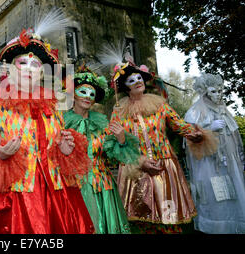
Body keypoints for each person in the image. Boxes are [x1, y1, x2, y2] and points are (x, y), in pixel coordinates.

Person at [0, 10, 94, 234]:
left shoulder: (53, 107)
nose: (29, 69)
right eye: (22, 63)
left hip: (54, 191)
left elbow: (55, 146)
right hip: (13, 194)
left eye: (35, 65)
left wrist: (64, 151)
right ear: (10, 68)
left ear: (42, 73)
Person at [104, 55, 218, 234]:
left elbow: (178, 124)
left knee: (169, 216)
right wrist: (137, 159)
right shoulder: (119, 111)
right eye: (131, 80)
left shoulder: (159, 105)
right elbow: (112, 142)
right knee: (145, 220)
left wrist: (195, 134)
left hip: (163, 168)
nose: (137, 82)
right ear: (125, 87)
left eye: (139, 78)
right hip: (137, 168)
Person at [63, 64, 140, 234]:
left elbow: (115, 158)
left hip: (102, 186)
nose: (88, 97)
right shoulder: (61, 123)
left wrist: (121, 139)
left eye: (92, 94)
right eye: (83, 92)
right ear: (73, 95)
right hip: (74, 187)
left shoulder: (102, 125)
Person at [183, 73, 245, 233]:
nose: (219, 94)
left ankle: (232, 224)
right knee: (214, 195)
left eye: (220, 90)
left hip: (228, 162)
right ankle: (215, 226)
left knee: (231, 192)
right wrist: (208, 128)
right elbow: (189, 139)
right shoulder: (194, 113)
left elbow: (234, 138)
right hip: (207, 163)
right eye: (214, 91)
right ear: (205, 92)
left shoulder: (224, 111)